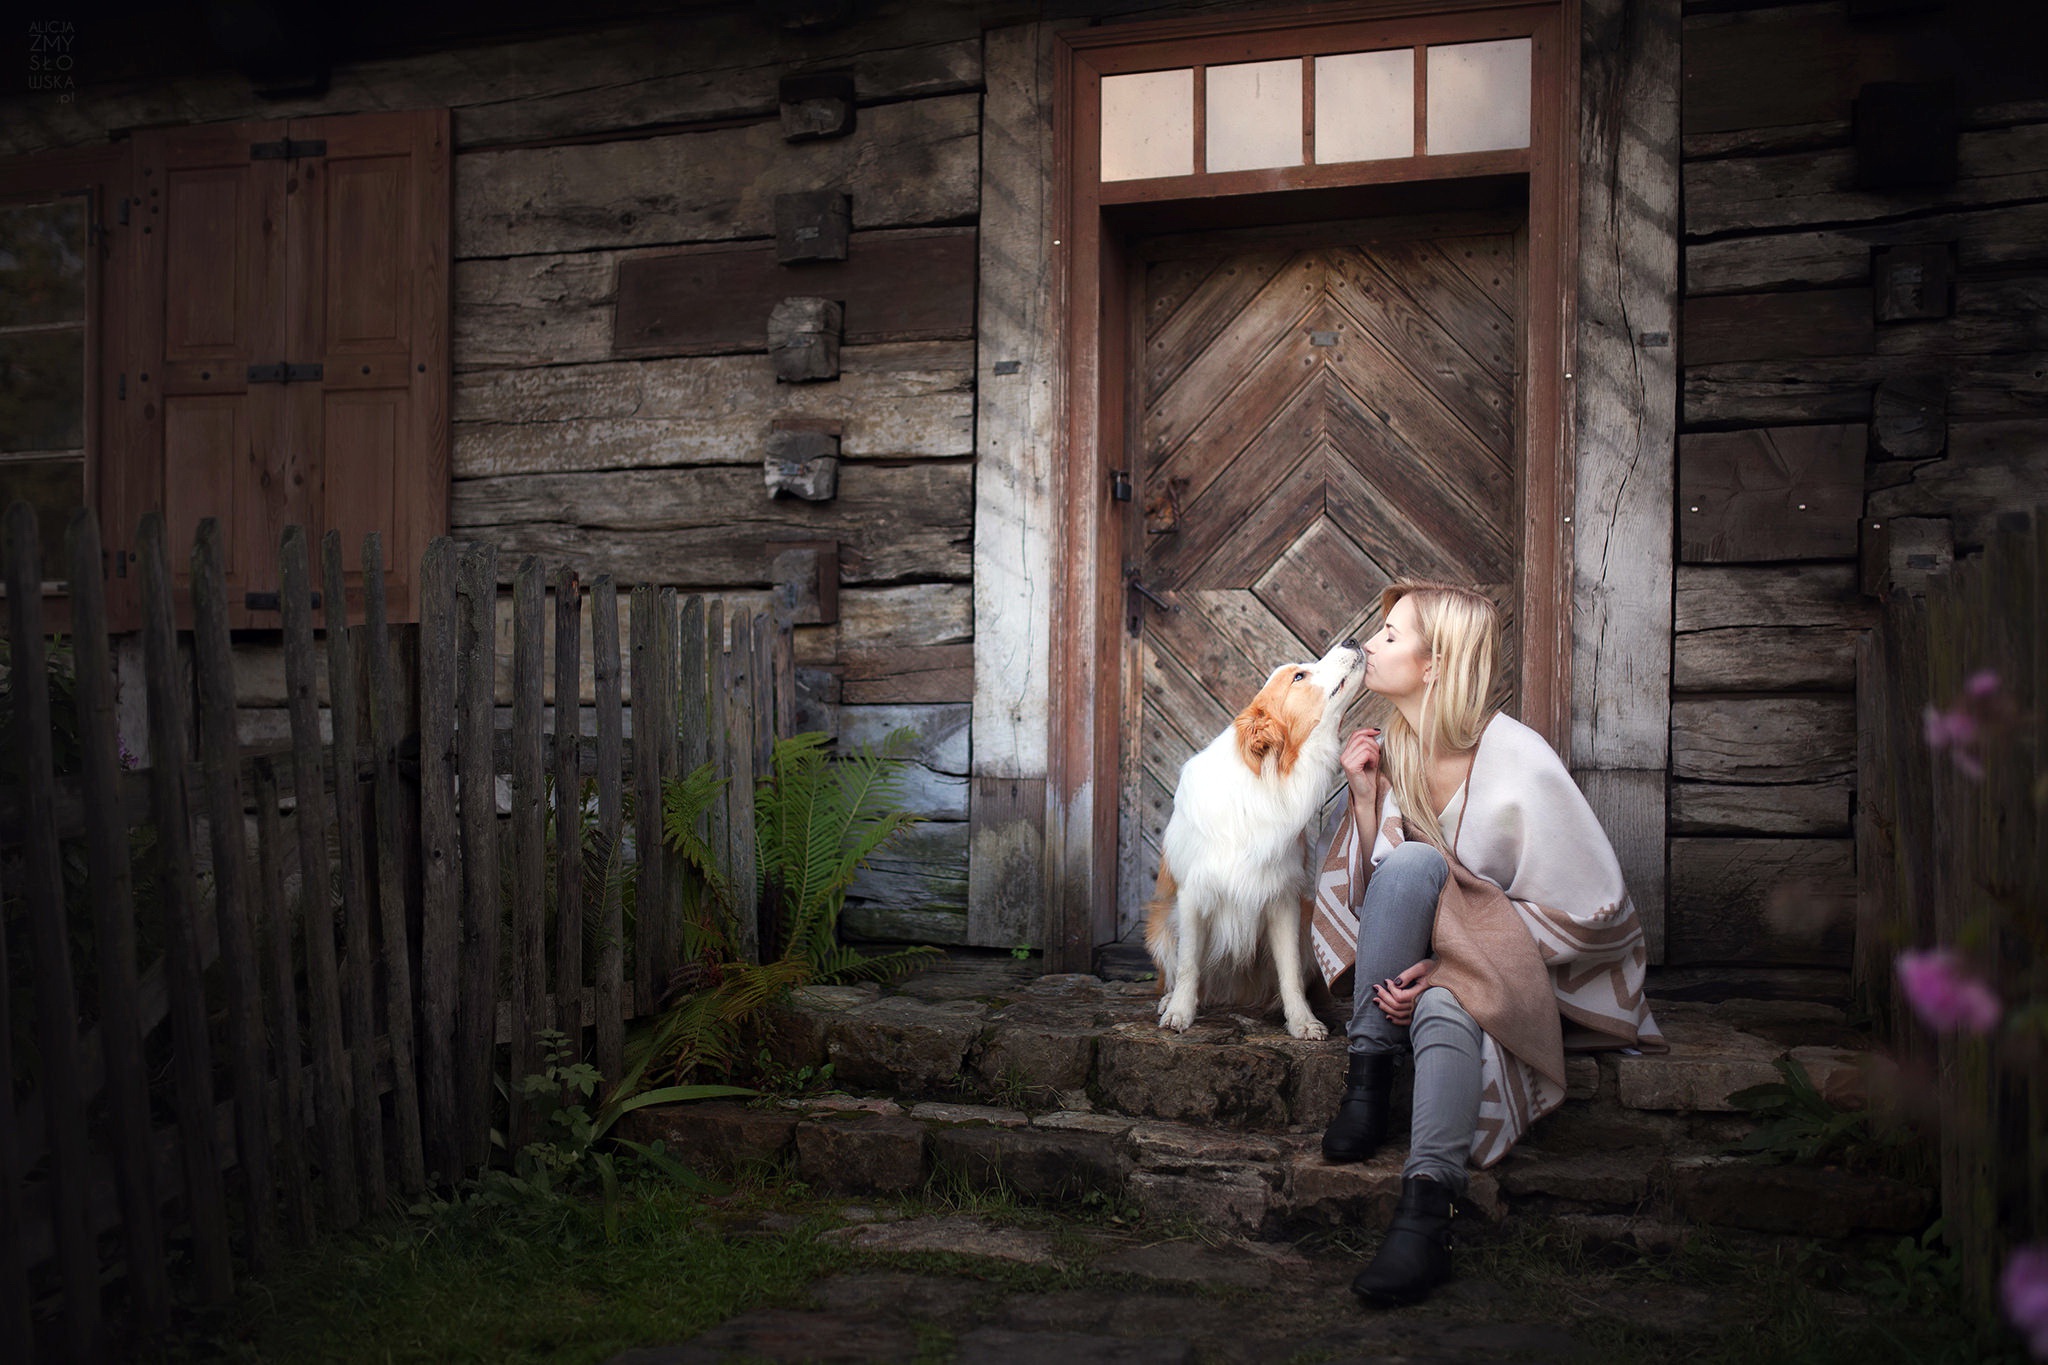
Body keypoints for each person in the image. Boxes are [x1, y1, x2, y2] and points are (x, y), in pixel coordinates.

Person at [1304, 580, 1664, 1308]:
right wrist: (1368, 801)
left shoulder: (1518, 757)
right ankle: (1369, 1080)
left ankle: (1424, 1210)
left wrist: (1452, 963)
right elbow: (1382, 900)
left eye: (1392, 635)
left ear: (1435, 665)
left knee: (1446, 1007)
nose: (1369, 644)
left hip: (1530, 967)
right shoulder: (1398, 748)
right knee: (1410, 868)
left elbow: (1593, 909)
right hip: (1431, 957)